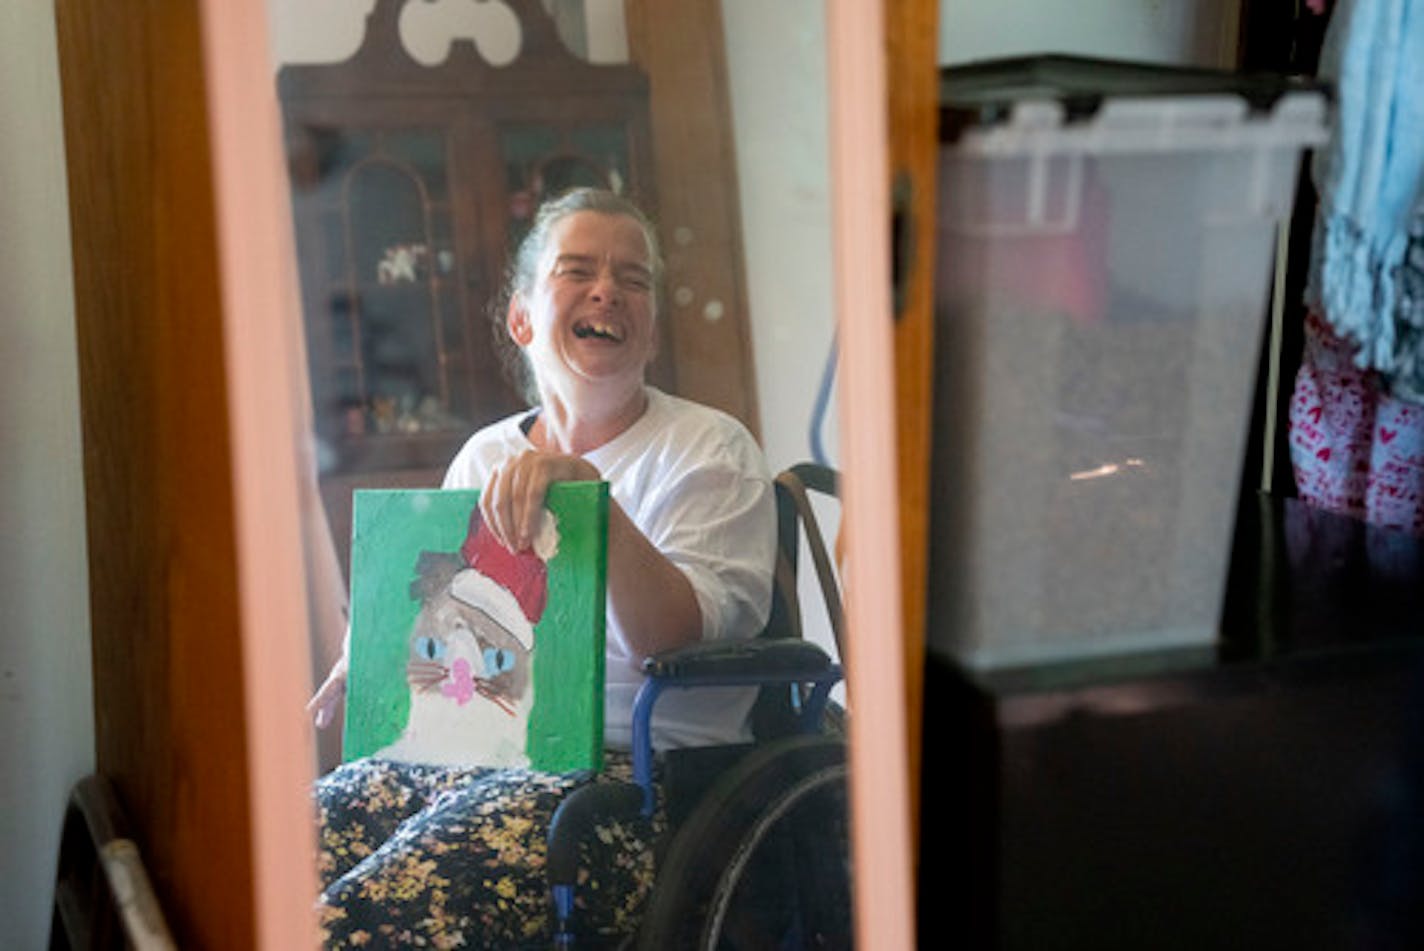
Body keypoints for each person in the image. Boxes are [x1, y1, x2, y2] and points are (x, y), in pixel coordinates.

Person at [307, 187, 776, 948]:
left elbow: (675, 639)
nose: (607, 291)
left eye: (633, 279)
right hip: (467, 753)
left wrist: (589, 496)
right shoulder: (487, 455)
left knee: (354, 922)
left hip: (632, 783)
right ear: (521, 318)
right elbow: (443, 617)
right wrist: (372, 647)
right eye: (579, 270)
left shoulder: (709, 449)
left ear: (650, 329)